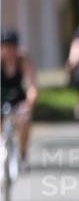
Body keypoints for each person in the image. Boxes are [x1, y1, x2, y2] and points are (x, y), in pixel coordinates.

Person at [1, 28, 38, 170]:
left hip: (18, 99)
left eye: (12, 46)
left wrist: (29, 101)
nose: (9, 50)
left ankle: (22, 156)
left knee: (24, 120)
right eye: (5, 46)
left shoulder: (23, 60)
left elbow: (32, 85)